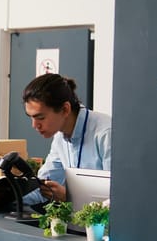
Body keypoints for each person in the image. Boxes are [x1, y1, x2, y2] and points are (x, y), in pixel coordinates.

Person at [21, 73, 111, 205]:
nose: (34, 125)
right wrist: (4, 196)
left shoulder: (106, 134)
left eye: (40, 118)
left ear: (65, 109)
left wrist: (70, 198)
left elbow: (119, 199)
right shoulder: (60, 137)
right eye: (31, 117)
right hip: (79, 224)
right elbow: (42, 187)